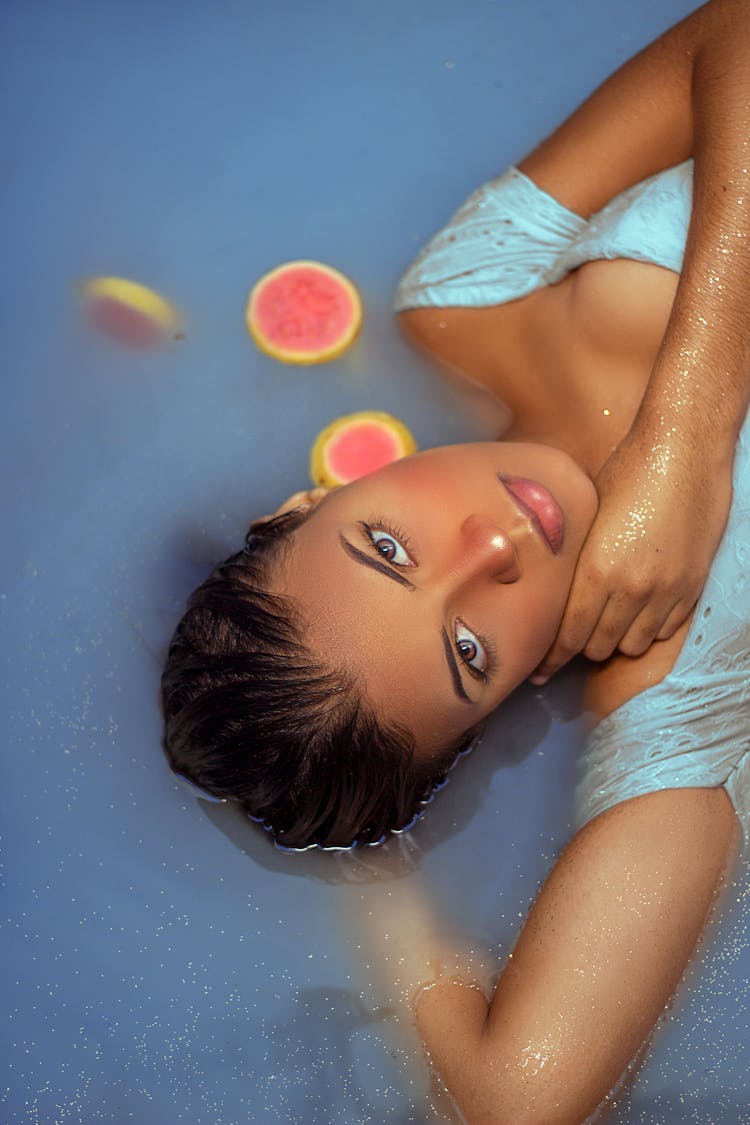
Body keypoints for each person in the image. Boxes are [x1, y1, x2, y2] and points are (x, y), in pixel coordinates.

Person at [161, 0, 750, 1116]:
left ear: (310, 497)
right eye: (470, 650)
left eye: (387, 546)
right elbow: (512, 1103)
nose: (491, 544)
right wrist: (374, 876)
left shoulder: (471, 298)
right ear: (514, 697)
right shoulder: (677, 697)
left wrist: (690, 435)